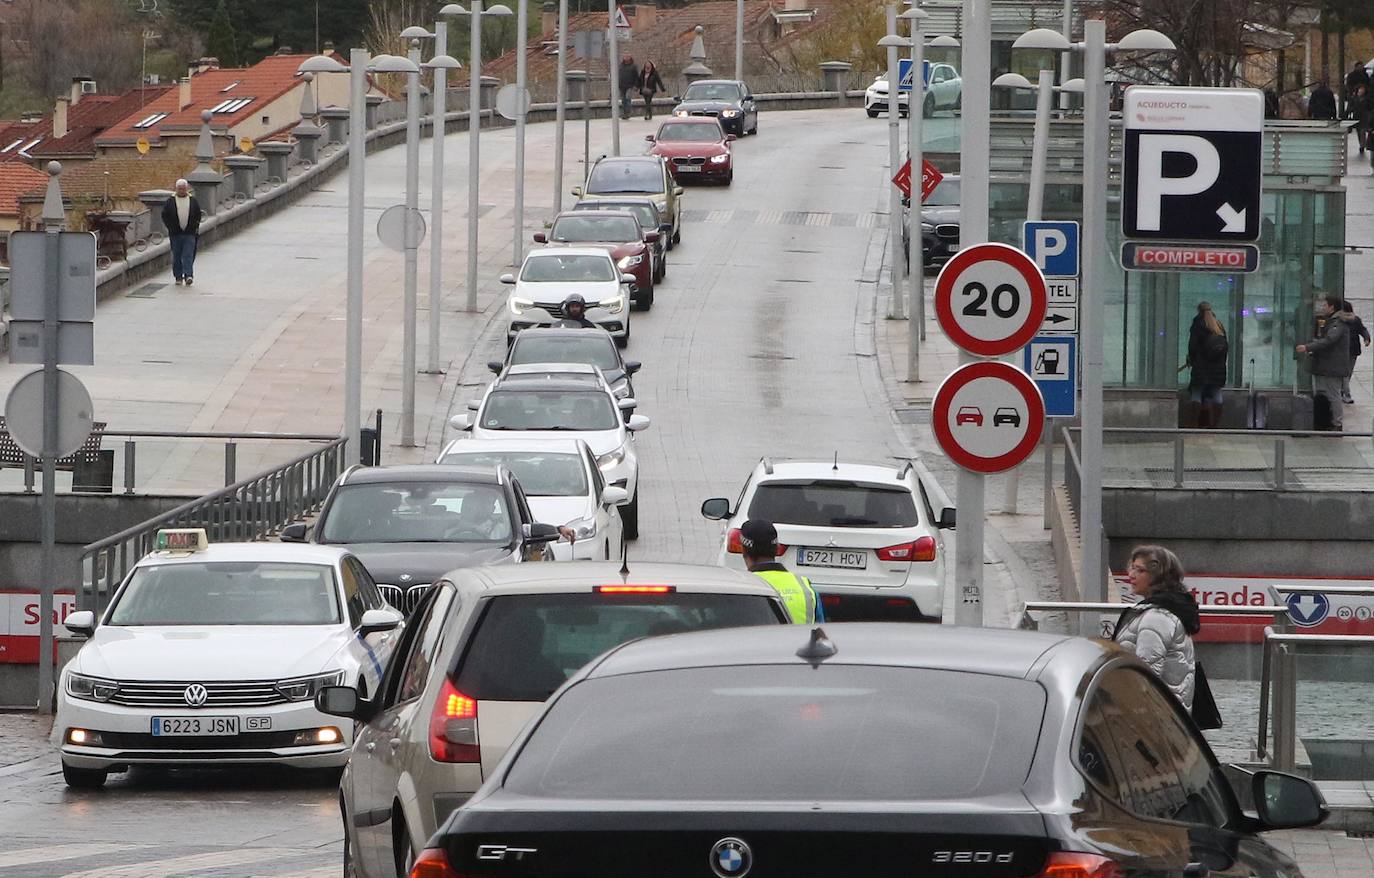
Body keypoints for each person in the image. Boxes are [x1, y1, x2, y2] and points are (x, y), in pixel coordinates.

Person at [1112, 545, 1199, 710]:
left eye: (1140, 570)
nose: (1131, 575)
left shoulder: (1156, 617)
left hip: (1154, 718)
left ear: (1159, 577)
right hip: (1167, 713)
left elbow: (1146, 675)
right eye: (1132, 568)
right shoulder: (1165, 610)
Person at [737, 519, 822, 625]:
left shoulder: (741, 590)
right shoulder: (805, 588)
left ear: (743, 550)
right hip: (798, 641)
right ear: (777, 549)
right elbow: (820, 632)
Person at [1297, 293, 1351, 431]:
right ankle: (1329, 420)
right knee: (1328, 393)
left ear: (1332, 307)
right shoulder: (1330, 321)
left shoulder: (1338, 323)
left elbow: (1329, 341)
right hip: (1327, 365)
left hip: (1334, 366)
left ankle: (1337, 423)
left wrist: (1308, 347)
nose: (1323, 308)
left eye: (1325, 305)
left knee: (1334, 395)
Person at [1183, 301, 1228, 428]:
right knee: (1217, 394)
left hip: (1201, 367)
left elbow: (1192, 347)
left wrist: (1191, 360)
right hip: (1218, 368)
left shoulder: (1198, 325)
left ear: (1199, 311)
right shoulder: (1218, 326)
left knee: (1197, 393)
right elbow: (1225, 347)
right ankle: (1215, 425)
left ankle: (1193, 424)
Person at [161, 179, 202, 286]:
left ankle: (188, 275)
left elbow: (198, 214)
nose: (182, 191)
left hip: (189, 233)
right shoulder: (170, 201)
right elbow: (165, 215)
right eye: (180, 189)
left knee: (188, 254)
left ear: (187, 189)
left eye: (184, 189)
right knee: (177, 255)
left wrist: (195, 227)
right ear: (176, 189)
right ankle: (178, 276)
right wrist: (170, 227)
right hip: (175, 234)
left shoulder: (193, 200)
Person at [1340, 300, 1370, 404]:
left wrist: (1367, 338)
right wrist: (1366, 338)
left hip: (1347, 350)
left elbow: (1362, 330)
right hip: (1352, 350)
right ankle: (1345, 393)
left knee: (1346, 373)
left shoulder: (1340, 320)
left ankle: (1344, 391)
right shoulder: (1355, 319)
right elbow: (1363, 330)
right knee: (1346, 373)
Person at [1346, 83, 1373, 154]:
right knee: (1359, 131)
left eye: (1363, 89)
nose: (1362, 91)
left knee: (1362, 131)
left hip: (1364, 117)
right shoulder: (1354, 98)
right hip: (1356, 117)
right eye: (1360, 89)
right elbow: (1349, 107)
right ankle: (1361, 144)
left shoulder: (1367, 98)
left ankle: (1362, 145)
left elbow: (1370, 107)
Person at [617, 53, 639, 121]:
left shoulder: (633, 66)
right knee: (623, 100)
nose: (626, 58)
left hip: (630, 86)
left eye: (627, 56)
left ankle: (628, 112)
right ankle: (624, 113)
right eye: (625, 56)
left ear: (630, 57)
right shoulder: (621, 66)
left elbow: (636, 77)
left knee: (627, 98)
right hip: (621, 86)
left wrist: (636, 86)